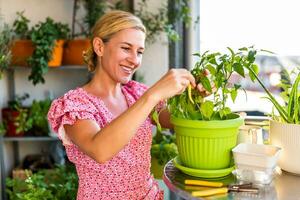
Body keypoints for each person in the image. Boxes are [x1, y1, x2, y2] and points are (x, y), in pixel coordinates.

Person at [48, 10, 197, 200]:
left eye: (140, 52)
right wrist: (153, 94)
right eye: (126, 48)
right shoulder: (75, 105)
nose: (135, 60)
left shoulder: (137, 94)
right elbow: (100, 150)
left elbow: (177, 121)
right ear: (99, 47)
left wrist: (196, 96)